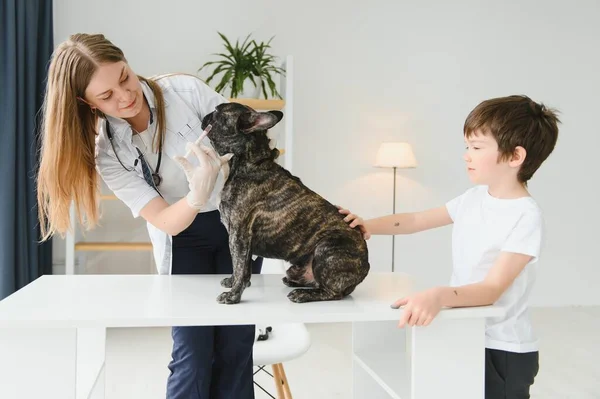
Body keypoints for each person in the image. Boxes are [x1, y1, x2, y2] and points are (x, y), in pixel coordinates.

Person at [36, 33, 262, 399]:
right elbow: (168, 221)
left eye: (124, 77)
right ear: (86, 103)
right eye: (106, 96)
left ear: (127, 61)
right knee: (192, 352)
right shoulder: (108, 153)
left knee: (236, 348)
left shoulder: (186, 93)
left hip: (240, 225)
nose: (125, 96)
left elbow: (251, 139)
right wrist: (197, 193)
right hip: (183, 236)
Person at [340, 95, 560, 399]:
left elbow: (491, 289)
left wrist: (439, 295)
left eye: (476, 147)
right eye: (467, 146)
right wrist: (367, 226)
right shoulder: (474, 198)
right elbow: (416, 220)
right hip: (465, 328)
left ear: (514, 156)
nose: (466, 155)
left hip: (503, 349)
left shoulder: (526, 216)